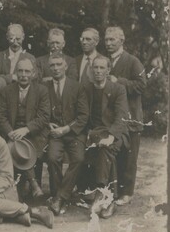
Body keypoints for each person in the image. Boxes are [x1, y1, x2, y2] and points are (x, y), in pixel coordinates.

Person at [80, 55, 129, 219]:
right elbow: (83, 115)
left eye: (102, 68)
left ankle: (101, 193)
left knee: (105, 149)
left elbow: (121, 117)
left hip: (114, 132)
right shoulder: (87, 89)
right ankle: (110, 201)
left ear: (108, 70)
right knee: (100, 151)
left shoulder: (118, 89)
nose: (98, 71)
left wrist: (111, 136)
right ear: (92, 70)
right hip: (93, 133)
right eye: (96, 68)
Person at [104, 26, 146, 206]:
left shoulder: (133, 61)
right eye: (106, 40)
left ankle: (126, 193)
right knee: (115, 154)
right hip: (113, 118)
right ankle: (112, 191)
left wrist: (119, 81)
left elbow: (142, 84)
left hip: (131, 118)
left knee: (129, 157)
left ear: (122, 40)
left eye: (112, 40)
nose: (108, 43)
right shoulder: (104, 61)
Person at [0, 58, 50, 198]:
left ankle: (25, 187)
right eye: (20, 71)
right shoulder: (7, 90)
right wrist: (10, 132)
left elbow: (44, 117)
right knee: (15, 146)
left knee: (20, 147)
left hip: (34, 134)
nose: (23, 75)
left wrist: (26, 129)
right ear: (15, 73)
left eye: (27, 71)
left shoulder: (41, 91)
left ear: (33, 73)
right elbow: (1, 116)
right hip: (12, 133)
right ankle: (33, 184)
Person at [44, 53, 89, 215]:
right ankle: (59, 195)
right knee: (52, 157)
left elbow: (84, 115)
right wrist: (48, 124)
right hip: (54, 134)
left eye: (58, 65)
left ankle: (60, 197)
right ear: (49, 68)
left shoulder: (76, 86)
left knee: (79, 158)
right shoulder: (44, 87)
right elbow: (40, 112)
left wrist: (66, 129)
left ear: (65, 67)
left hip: (74, 133)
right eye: (52, 65)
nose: (56, 68)